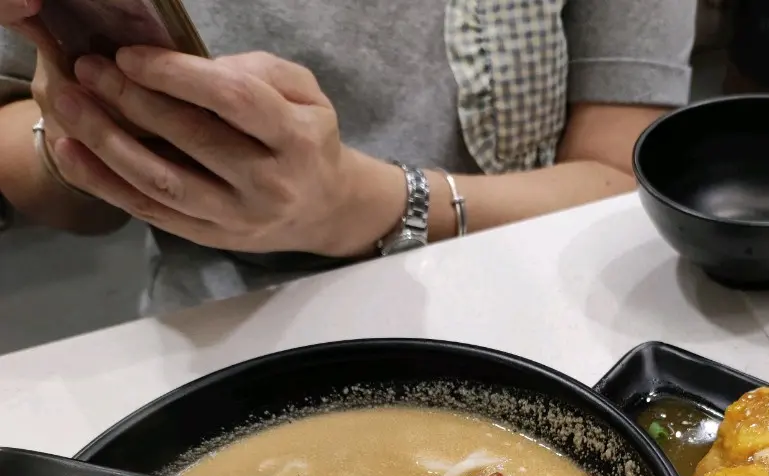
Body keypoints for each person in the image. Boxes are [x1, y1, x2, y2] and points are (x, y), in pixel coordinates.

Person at [0, 0, 695, 314]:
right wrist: (83, 142)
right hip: (214, 330)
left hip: (518, 301)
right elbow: (17, 134)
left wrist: (365, 206)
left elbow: (620, 179)